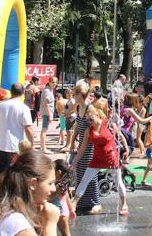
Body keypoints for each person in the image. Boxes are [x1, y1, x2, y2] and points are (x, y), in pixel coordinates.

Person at [0, 151, 59, 236]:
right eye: (50, 183)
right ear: (33, 184)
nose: (54, 189)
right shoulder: (18, 224)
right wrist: (51, 223)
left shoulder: (9, 212)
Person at [71, 106, 128, 216]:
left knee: (118, 181)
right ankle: (74, 204)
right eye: (87, 119)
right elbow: (82, 148)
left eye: (91, 119)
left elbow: (120, 136)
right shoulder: (89, 129)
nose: (89, 122)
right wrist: (74, 162)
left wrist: (126, 149)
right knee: (84, 180)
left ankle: (124, 204)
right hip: (97, 158)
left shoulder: (108, 124)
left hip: (111, 158)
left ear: (97, 115)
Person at [66, 85, 101, 214]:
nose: (73, 96)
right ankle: (82, 201)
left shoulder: (89, 109)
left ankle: (95, 202)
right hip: (81, 142)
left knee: (89, 174)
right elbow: (77, 126)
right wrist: (71, 143)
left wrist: (92, 136)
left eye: (74, 94)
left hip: (90, 145)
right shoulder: (79, 107)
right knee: (80, 172)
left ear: (80, 95)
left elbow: (97, 124)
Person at [0, 83, 35, 177]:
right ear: (23, 93)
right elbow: (28, 129)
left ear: (11, 92)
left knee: (0, 177)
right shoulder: (24, 108)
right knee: (14, 176)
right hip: (16, 147)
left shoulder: (0, 106)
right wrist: (32, 145)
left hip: (1, 146)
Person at [51, 159, 75, 236]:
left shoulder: (59, 186)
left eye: (52, 170)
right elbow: (67, 198)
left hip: (59, 212)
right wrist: (71, 210)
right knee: (66, 233)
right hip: (64, 212)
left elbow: (51, 196)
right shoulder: (63, 184)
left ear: (58, 172)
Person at [39, 77, 57, 154]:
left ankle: (42, 147)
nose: (54, 84)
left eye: (55, 82)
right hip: (47, 113)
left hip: (47, 112)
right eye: (53, 82)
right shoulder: (47, 91)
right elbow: (46, 104)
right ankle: (44, 148)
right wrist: (50, 115)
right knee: (44, 130)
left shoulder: (49, 90)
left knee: (44, 130)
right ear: (49, 82)